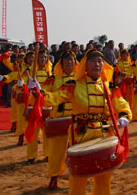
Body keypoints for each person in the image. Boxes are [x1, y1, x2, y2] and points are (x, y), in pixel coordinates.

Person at [39, 50, 131, 195]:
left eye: (100, 61)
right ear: (84, 66)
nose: (97, 64)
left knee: (104, 177)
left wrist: (124, 115)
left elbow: (121, 103)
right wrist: (37, 93)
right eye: (92, 61)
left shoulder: (109, 86)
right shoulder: (74, 85)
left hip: (104, 134)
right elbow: (53, 98)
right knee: (78, 178)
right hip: (81, 134)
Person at [41, 51, 77, 189]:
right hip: (59, 119)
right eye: (66, 60)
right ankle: (54, 176)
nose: (69, 62)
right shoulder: (53, 79)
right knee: (56, 152)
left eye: (71, 60)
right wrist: (37, 90)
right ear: (61, 63)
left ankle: (76, 176)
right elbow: (43, 94)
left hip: (77, 120)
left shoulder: (81, 79)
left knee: (77, 150)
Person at [0, 52, 30, 145]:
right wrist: (4, 78)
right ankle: (18, 129)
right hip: (19, 92)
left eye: (22, 58)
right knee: (17, 112)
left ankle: (36, 135)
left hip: (34, 95)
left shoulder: (38, 68)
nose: (21, 59)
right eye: (20, 58)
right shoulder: (17, 68)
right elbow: (11, 75)